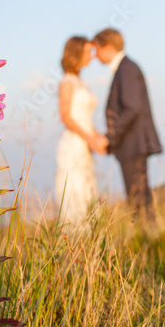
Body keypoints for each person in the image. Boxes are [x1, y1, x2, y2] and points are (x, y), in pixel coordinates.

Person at [91, 28, 162, 223]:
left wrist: (109, 138)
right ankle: (149, 243)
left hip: (133, 144)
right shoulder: (125, 68)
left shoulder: (127, 69)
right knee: (139, 201)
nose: (95, 55)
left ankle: (148, 245)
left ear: (108, 47)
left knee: (138, 202)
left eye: (96, 49)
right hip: (131, 144)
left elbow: (131, 108)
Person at [54, 36, 107, 225]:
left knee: (87, 190)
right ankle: (73, 237)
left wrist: (97, 136)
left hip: (84, 142)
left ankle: (88, 240)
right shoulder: (68, 81)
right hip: (73, 143)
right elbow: (66, 116)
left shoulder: (79, 81)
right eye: (87, 52)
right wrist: (89, 138)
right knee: (75, 190)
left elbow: (83, 118)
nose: (92, 57)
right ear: (75, 54)